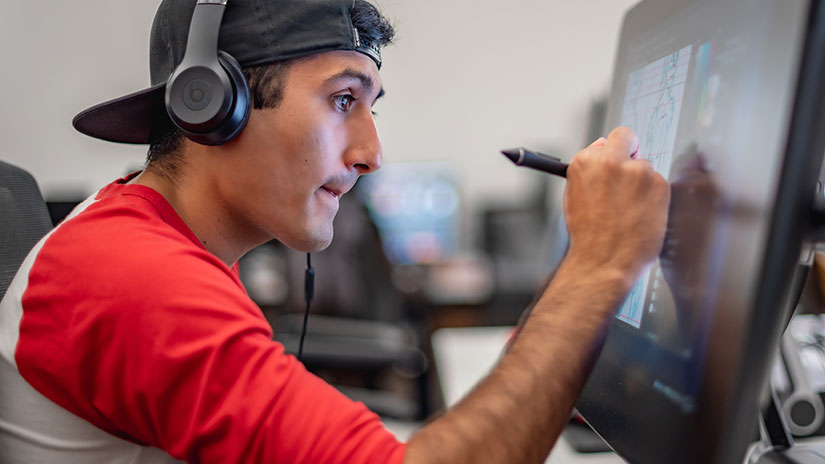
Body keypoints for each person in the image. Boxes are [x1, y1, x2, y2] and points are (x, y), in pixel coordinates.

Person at [0, 0, 670, 462]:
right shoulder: (135, 278)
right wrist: (600, 264)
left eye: (369, 107)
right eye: (343, 99)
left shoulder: (152, 242)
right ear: (212, 108)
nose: (371, 153)